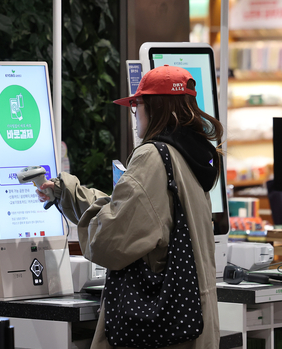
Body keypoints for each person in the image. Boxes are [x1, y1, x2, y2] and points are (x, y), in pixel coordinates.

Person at [37, 65, 222, 349]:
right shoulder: (193, 155)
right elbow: (132, 211)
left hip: (161, 335)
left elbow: (109, 240)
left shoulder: (153, 156)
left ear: (154, 108)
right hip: (195, 322)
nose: (136, 117)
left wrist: (76, 202)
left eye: (136, 107)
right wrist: (67, 193)